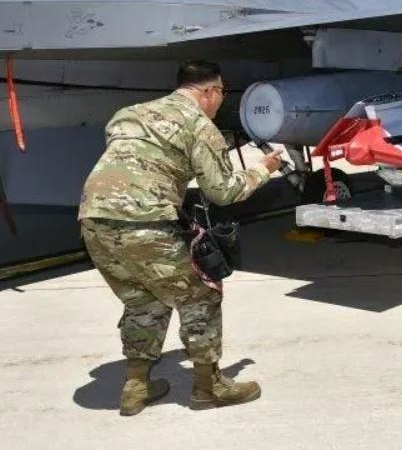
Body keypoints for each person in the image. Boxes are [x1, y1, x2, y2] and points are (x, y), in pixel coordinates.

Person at [78, 60, 284, 415]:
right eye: (222, 93)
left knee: (144, 300)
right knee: (202, 295)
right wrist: (262, 171)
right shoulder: (199, 125)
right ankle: (209, 388)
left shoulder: (128, 114)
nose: (221, 101)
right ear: (209, 91)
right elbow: (223, 192)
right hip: (145, 221)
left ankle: (135, 387)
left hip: (93, 219)